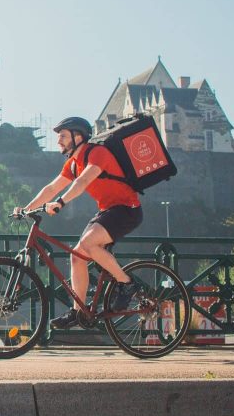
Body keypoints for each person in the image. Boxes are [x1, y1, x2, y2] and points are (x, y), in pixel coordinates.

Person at [14, 116, 142, 329]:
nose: (58, 141)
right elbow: (51, 188)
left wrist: (61, 203)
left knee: (90, 244)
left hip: (127, 210)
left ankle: (127, 284)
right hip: (107, 211)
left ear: (78, 136)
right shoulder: (72, 164)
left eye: (63, 136)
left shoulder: (97, 153)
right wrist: (26, 209)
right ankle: (78, 311)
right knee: (77, 256)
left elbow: (83, 182)